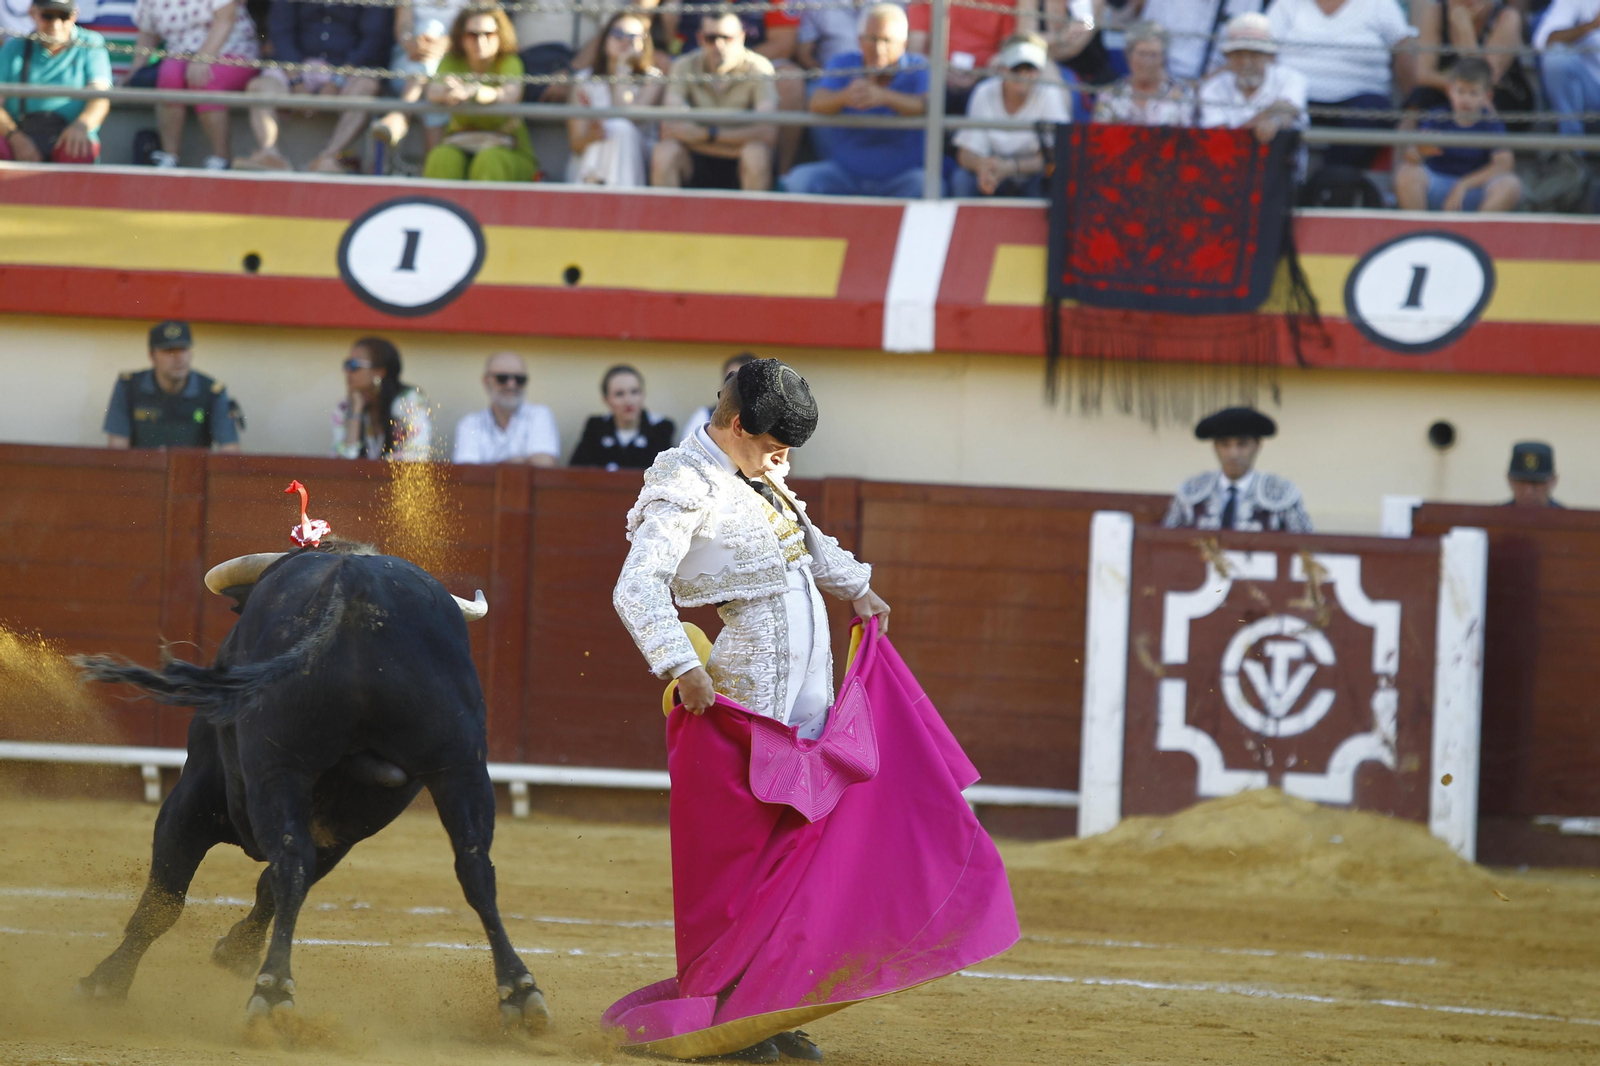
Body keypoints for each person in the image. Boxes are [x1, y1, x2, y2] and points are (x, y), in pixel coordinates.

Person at [605, 358, 1016, 1062]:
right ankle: (726, 1016)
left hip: (807, 696)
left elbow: (804, 548)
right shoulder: (683, 481)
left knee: (797, 865)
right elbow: (636, 587)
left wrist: (856, 586)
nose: (784, 461)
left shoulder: (756, 473)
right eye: (774, 446)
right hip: (745, 703)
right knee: (744, 870)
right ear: (738, 425)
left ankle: (766, 1009)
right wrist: (680, 663)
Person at [783, 3, 929, 197]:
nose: (879, 48)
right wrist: (845, 96)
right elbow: (816, 102)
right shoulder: (844, 63)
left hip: (901, 177)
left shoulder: (919, 66)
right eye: (872, 39)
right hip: (845, 174)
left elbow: (928, 106)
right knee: (798, 181)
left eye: (886, 40)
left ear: (904, 43)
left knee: (926, 185)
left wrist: (884, 97)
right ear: (859, 41)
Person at [235, 0, 392, 172]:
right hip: (295, 66)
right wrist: (296, 80)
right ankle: (270, 154)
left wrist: (337, 81)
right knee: (259, 86)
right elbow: (280, 33)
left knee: (367, 87)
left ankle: (328, 157)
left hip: (349, 69)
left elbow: (373, 39)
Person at [1267, 0, 1417, 169]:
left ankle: (1333, 180)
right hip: (1295, 97)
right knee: (1274, 114)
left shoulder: (1380, 5)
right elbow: (1265, 52)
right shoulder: (1286, 4)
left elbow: (1404, 53)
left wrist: (1413, 108)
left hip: (1361, 99)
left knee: (1371, 113)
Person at [123, 0, 258, 169]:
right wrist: (133, 73)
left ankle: (222, 159)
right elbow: (147, 34)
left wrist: (203, 59)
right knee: (169, 74)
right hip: (181, 55)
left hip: (232, 51)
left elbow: (225, 19)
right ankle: (169, 157)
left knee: (204, 79)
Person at [652, 11, 777, 190]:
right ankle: (665, 210)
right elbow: (668, 128)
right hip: (697, 159)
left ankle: (756, 210)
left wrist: (709, 135)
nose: (719, 45)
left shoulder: (759, 68)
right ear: (700, 38)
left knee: (756, 154)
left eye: (727, 38)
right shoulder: (684, 65)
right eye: (711, 38)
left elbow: (767, 133)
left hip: (738, 161)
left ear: (741, 38)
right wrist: (730, 137)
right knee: (665, 152)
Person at [423, 5, 538, 183]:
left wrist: (473, 91)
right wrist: (449, 92)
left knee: (489, 161)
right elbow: (433, 91)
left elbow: (511, 94)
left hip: (509, 149)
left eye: (488, 34)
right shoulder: (452, 61)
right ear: (461, 37)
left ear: (500, 35)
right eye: (472, 34)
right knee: (441, 158)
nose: (480, 41)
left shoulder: (509, 61)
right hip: (461, 143)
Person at [1395, 58, 1521, 211]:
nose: (1466, 99)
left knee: (1510, 185)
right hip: (1439, 187)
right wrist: (1417, 153)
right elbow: (1412, 155)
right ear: (1450, 91)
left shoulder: (1491, 123)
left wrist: (1463, 185)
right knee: (1406, 173)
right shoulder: (1438, 117)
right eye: (1460, 91)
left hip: (1475, 191)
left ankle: (1479, 227)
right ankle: (1419, 226)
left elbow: (1504, 164)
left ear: (1487, 96)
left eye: (1473, 93)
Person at [952, 33, 1069, 197]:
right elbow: (965, 154)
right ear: (1003, 68)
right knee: (962, 180)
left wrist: (1012, 167)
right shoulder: (984, 92)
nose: (1023, 75)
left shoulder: (1049, 93)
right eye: (1016, 68)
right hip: (993, 175)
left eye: (1030, 68)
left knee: (1049, 181)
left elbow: (1056, 155)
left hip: (1032, 179)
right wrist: (984, 166)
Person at [1162, 406, 1312, 532]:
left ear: (1258, 445)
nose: (1233, 454)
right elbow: (1166, 543)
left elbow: (1306, 547)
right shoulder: (1191, 491)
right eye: (1225, 444)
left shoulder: (1282, 492)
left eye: (1242, 444)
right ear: (1215, 447)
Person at [0, 0, 111, 165]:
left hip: (70, 135)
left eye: (64, 16)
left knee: (78, 150)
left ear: (74, 15)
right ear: (33, 13)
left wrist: (81, 126)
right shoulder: (14, 48)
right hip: (19, 132)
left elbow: (100, 98)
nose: (56, 24)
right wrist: (15, 137)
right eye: (48, 16)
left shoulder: (91, 43)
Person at [104, 320, 242, 451]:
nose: (179, 358)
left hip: (192, 468)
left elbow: (229, 451)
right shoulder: (129, 387)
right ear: (152, 356)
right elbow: (117, 452)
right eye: (169, 351)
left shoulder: (212, 392)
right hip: (141, 468)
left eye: (183, 349)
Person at [567, 10, 664, 186]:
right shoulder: (584, 80)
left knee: (619, 128)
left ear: (644, 44)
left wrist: (621, 71)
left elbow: (627, 117)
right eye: (618, 34)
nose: (625, 41)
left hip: (638, 160)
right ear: (605, 41)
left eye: (634, 37)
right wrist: (592, 135)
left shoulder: (653, 79)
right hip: (592, 156)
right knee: (609, 132)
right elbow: (576, 144)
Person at [1405, 0, 1532, 122]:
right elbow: (1423, 74)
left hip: (1498, 94)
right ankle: (1405, 137)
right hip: (1450, 89)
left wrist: (1464, 29)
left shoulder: (1506, 17)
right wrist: (1458, 88)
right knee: (1419, 97)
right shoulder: (1436, 12)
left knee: (1480, 100)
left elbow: (1483, 77)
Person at [369, 0, 468, 155]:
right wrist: (412, 43)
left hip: (455, 64)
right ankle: (433, 164)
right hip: (408, 63)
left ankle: (402, 114)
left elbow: (482, 25)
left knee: (434, 85)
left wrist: (447, 44)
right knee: (435, 87)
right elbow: (403, 29)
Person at [1198, 12, 1308, 142]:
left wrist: (1275, 120)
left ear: (1268, 56)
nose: (1246, 62)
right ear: (1229, 58)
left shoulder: (1291, 78)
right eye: (1239, 54)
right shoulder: (1212, 88)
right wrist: (1268, 114)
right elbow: (1221, 138)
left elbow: (1288, 112)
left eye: (1254, 53)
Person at [452, 352, 560, 466]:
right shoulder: (470, 423)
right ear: (486, 381)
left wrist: (489, 469)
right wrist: (522, 462)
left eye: (519, 379)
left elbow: (544, 464)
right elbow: (466, 472)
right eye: (502, 378)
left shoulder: (539, 415)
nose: (511, 385)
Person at [333, 337, 433, 461]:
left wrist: (374, 468)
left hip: (398, 474)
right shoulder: (345, 407)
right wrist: (356, 413)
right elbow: (342, 462)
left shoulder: (409, 400)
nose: (348, 371)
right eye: (347, 364)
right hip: (361, 474)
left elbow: (417, 454)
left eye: (354, 365)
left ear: (380, 371)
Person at [907, 0, 1014, 113]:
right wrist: (940, 67)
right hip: (936, 75)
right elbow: (915, 50)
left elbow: (1007, 49)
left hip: (984, 77)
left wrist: (981, 72)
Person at [570, 365, 676, 470]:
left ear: (643, 394)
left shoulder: (660, 428)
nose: (628, 401)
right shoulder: (596, 428)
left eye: (634, 392)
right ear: (606, 399)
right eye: (619, 394)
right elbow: (576, 471)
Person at [1092, 20, 1194, 126]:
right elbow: (1099, 133)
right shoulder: (1110, 95)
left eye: (1153, 55)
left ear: (1163, 58)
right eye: (1142, 54)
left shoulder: (1182, 95)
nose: (1147, 62)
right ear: (1128, 55)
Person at [1131, 0, 1263, 81]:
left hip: (1221, 88)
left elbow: (1248, 52)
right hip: (1165, 83)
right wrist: (1169, 85)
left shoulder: (1247, 2)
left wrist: (1204, 85)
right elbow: (1146, 41)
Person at [1533, 0, 1600, 137]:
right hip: (1593, 93)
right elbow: (1545, 40)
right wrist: (1592, 25)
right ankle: (1572, 144)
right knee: (1556, 56)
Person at [682, 352, 755, 439]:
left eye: (745, 383)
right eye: (732, 382)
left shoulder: (767, 422)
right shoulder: (704, 416)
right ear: (722, 386)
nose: (738, 389)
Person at [1505, 441, 1563, 508]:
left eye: (1536, 482)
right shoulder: (1497, 514)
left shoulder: (1566, 514)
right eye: (1522, 482)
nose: (1528, 491)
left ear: (1553, 481)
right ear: (1509, 480)